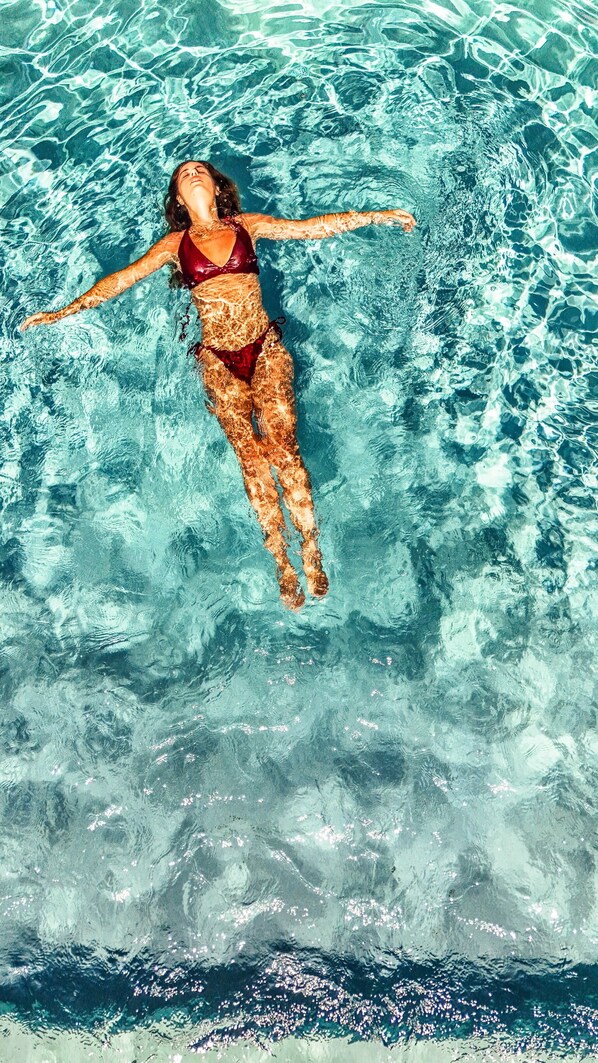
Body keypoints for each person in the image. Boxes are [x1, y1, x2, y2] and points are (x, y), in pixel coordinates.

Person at [20, 159, 416, 610]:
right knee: (251, 458)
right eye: (184, 173)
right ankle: (281, 561)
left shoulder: (248, 225)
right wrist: (61, 313)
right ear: (178, 197)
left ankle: (310, 548)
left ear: (216, 186)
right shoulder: (174, 245)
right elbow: (119, 281)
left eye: (200, 170)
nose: (192, 173)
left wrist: (379, 216)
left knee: (283, 448)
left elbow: (310, 228)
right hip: (217, 362)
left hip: (264, 350)